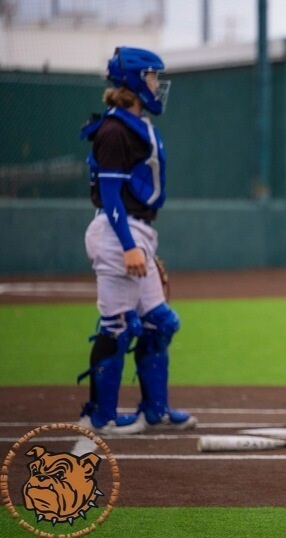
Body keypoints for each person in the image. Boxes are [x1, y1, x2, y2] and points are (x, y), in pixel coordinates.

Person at [77, 47, 197, 435]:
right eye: (150, 77)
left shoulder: (136, 124)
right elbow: (111, 197)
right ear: (131, 80)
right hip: (117, 233)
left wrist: (141, 245)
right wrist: (129, 245)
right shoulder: (112, 130)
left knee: (159, 323)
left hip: (135, 231)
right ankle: (100, 416)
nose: (156, 85)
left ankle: (155, 410)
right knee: (117, 326)